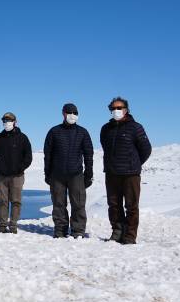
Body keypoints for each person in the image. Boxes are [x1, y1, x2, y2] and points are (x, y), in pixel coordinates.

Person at [100, 97, 152, 244]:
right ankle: (117, 231)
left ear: (126, 109)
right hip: (112, 173)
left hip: (131, 174)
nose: (116, 111)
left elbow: (146, 149)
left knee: (131, 206)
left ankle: (129, 236)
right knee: (114, 205)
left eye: (119, 108)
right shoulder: (106, 129)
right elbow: (105, 147)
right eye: (114, 108)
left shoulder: (136, 127)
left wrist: (133, 163)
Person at [44, 103, 94, 238]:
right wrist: (47, 173)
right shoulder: (54, 131)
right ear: (63, 114)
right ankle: (60, 230)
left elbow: (88, 154)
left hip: (76, 174)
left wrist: (88, 174)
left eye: (75, 113)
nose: (73, 115)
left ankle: (78, 230)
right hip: (57, 175)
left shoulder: (82, 132)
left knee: (78, 203)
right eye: (70, 112)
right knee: (58, 204)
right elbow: (47, 154)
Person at [0, 112, 32, 234]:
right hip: (2, 176)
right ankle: (2, 225)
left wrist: (20, 168)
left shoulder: (22, 138)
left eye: (9, 120)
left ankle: (13, 224)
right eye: (4, 121)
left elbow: (28, 156)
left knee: (16, 201)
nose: (7, 123)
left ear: (15, 122)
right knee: (2, 201)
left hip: (17, 176)